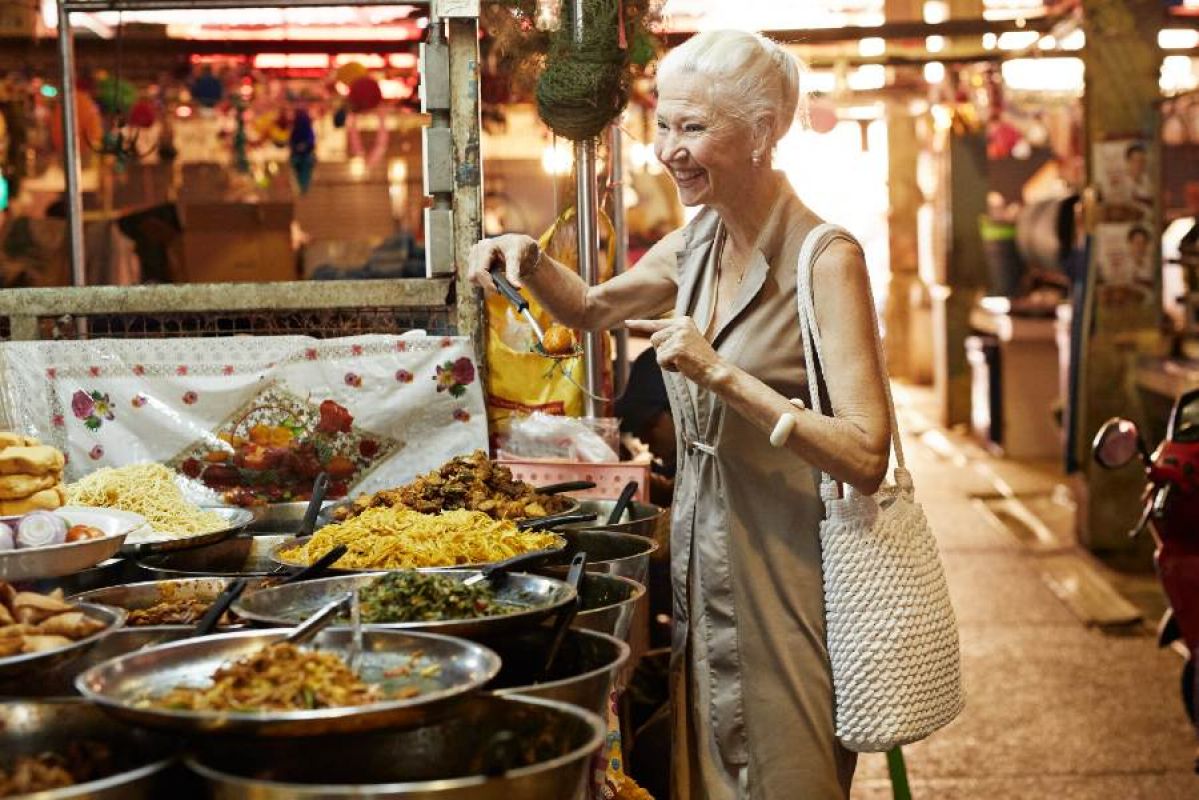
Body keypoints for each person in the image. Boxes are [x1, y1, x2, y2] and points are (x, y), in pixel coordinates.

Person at [469, 30, 890, 799]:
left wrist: (720, 374)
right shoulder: (696, 242)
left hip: (788, 562)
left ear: (762, 132)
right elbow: (594, 308)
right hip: (702, 546)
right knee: (707, 765)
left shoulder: (826, 259)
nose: (668, 149)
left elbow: (866, 454)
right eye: (662, 125)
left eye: (692, 128)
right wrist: (529, 258)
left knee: (789, 768)